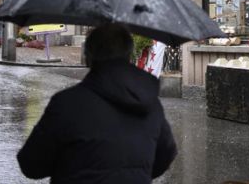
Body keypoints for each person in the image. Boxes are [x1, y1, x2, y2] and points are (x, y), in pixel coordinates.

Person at [17, 23, 178, 183]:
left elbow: (30, 164)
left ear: (88, 57)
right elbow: (167, 153)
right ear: (129, 56)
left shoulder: (66, 104)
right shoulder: (149, 103)